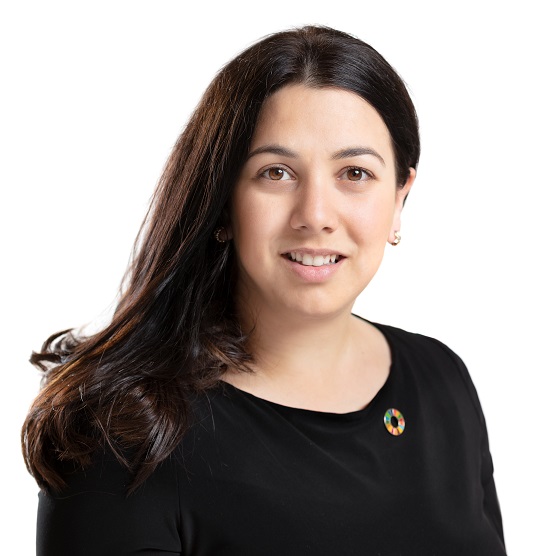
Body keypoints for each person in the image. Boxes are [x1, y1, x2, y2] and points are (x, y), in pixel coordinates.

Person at [23, 26, 506, 555]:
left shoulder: (441, 379)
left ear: (399, 198)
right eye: (276, 173)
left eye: (354, 172)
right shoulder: (126, 433)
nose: (315, 215)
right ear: (223, 201)